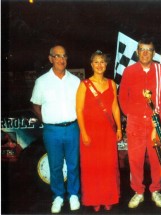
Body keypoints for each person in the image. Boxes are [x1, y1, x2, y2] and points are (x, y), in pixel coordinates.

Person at [30, 45, 81, 213]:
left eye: (64, 56)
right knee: (55, 165)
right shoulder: (42, 81)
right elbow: (36, 105)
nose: (61, 59)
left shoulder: (75, 81)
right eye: (57, 56)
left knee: (73, 164)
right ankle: (58, 196)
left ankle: (74, 194)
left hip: (72, 128)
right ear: (50, 58)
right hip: (52, 131)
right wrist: (47, 121)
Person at [118, 37, 161, 209]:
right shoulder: (129, 71)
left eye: (149, 50)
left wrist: (158, 116)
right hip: (136, 122)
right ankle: (138, 192)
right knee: (135, 160)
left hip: (156, 122)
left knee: (156, 159)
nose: (145, 53)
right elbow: (123, 97)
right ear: (137, 52)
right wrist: (132, 113)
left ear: (154, 53)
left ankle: (155, 190)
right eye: (142, 50)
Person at [76, 50, 122, 212]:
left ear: (106, 64)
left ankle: (109, 197)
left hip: (108, 132)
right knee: (92, 167)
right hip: (90, 132)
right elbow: (79, 110)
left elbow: (115, 107)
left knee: (108, 166)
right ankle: (94, 198)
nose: (99, 65)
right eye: (96, 62)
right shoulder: (84, 85)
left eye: (102, 62)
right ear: (91, 65)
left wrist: (119, 128)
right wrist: (84, 133)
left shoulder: (111, 84)